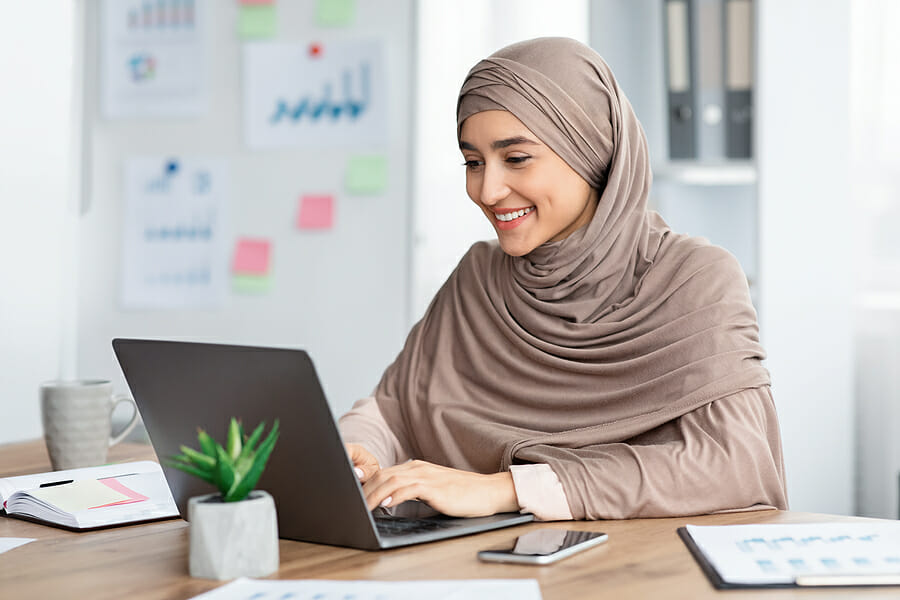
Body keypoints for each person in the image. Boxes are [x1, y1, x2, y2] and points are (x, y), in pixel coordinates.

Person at [338, 37, 787, 521]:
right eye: (473, 162)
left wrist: (508, 489)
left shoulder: (694, 277)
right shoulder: (478, 280)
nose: (487, 190)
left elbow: (734, 464)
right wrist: (358, 449)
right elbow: (395, 408)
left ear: (591, 153)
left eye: (516, 159)